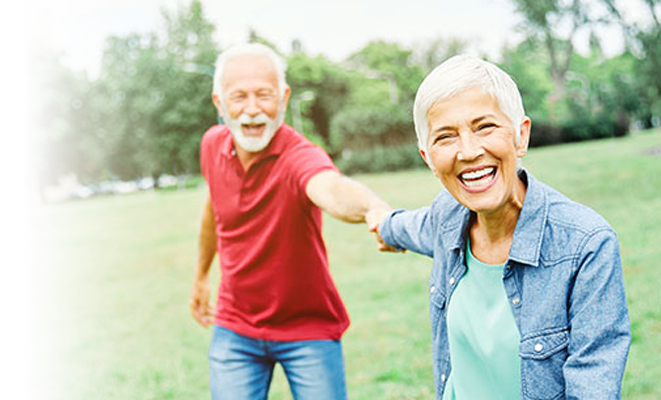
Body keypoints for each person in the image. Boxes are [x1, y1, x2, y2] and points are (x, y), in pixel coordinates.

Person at [369, 55, 631, 399]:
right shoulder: (446, 216)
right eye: (446, 137)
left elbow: (592, 385)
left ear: (520, 136)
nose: (468, 151)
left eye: (485, 127)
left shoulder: (586, 245)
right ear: (428, 158)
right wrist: (383, 225)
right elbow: (409, 227)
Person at [190, 43, 391, 400]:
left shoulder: (301, 157)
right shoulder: (211, 145)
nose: (253, 110)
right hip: (236, 327)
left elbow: (331, 190)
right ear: (219, 103)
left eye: (264, 95)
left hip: (307, 328)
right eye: (239, 97)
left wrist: (373, 207)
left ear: (283, 97)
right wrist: (202, 275)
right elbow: (214, 212)